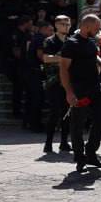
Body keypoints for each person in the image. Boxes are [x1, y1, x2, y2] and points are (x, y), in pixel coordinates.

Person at [60, 14, 101, 173]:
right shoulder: (71, 44)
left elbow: (94, 57)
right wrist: (69, 93)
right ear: (87, 26)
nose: (99, 31)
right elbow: (63, 69)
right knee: (78, 124)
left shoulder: (90, 42)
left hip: (96, 87)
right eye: (96, 28)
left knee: (99, 120)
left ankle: (91, 152)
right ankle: (80, 156)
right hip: (79, 89)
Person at [42, 15, 72, 154]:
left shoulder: (71, 41)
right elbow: (46, 58)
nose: (66, 26)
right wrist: (63, 59)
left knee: (67, 113)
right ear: (56, 25)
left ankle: (64, 142)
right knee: (54, 113)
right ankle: (48, 143)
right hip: (54, 82)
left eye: (68, 24)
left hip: (68, 82)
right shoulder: (50, 41)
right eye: (63, 24)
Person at [23, 19, 49, 132]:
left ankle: (28, 122)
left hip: (29, 71)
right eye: (50, 29)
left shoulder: (34, 38)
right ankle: (35, 125)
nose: (51, 32)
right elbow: (40, 56)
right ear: (43, 29)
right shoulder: (40, 39)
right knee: (37, 99)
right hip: (35, 72)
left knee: (31, 98)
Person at [8, 14, 33, 118]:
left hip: (26, 66)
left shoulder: (27, 34)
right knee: (17, 89)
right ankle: (16, 111)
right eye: (30, 23)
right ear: (25, 23)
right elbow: (16, 52)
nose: (31, 25)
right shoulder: (16, 34)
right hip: (18, 65)